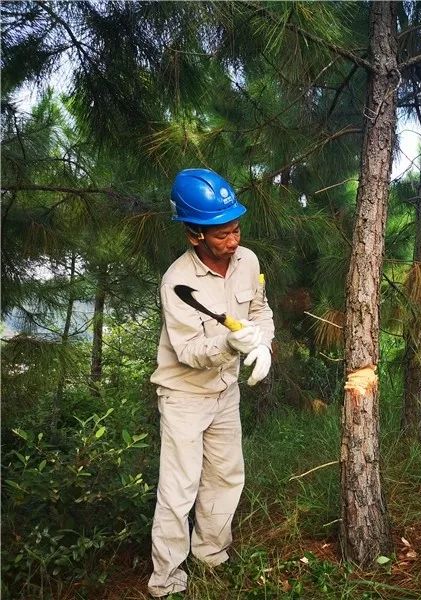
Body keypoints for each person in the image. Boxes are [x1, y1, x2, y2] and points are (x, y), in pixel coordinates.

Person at [147, 168, 274, 597]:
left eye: (236, 228)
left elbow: (260, 312)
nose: (233, 240)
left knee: (226, 475)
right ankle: (166, 581)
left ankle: (211, 555)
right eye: (222, 234)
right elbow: (188, 353)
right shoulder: (176, 282)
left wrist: (263, 346)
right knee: (179, 487)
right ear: (194, 235)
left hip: (226, 392)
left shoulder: (249, 261)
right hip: (184, 394)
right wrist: (230, 344)